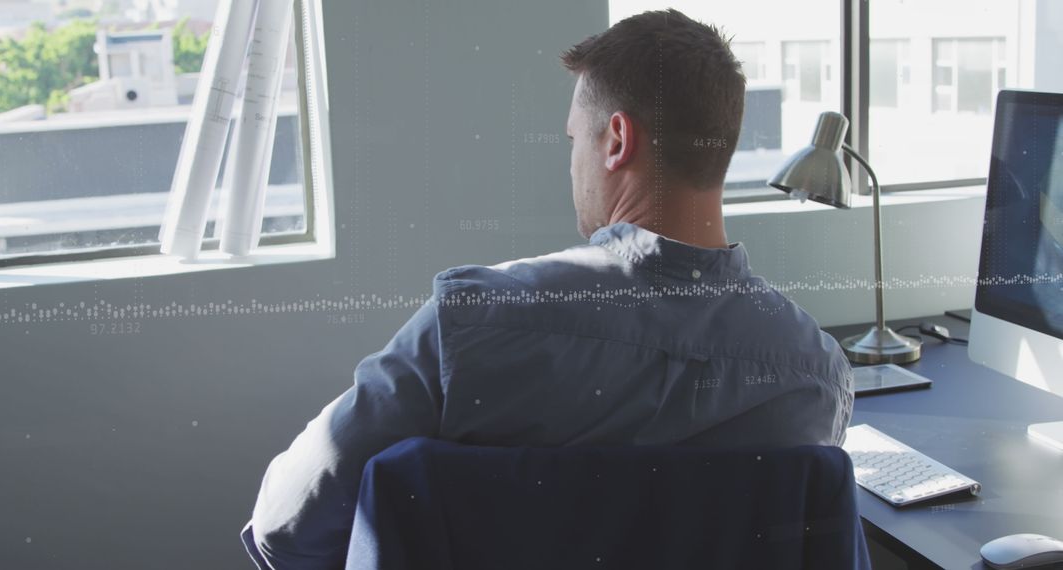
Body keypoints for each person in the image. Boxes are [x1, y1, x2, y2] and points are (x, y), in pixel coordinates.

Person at [241, 9, 853, 568]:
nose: (571, 163)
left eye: (572, 140)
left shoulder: (469, 329)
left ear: (616, 140)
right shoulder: (815, 377)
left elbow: (285, 525)